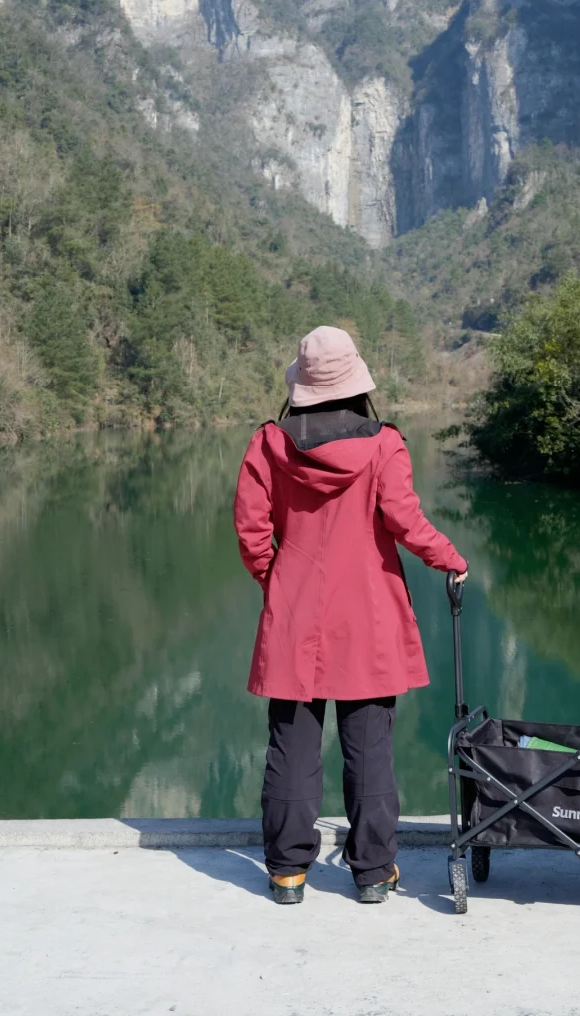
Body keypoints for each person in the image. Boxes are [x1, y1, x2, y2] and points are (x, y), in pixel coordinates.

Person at [233, 325, 468, 906]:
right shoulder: (384, 442)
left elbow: (251, 531)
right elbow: (404, 521)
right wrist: (451, 558)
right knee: (370, 747)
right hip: (368, 616)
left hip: (294, 618)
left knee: (291, 746)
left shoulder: (269, 443)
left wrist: (278, 579)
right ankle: (372, 872)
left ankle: (288, 873)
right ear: (357, 381)